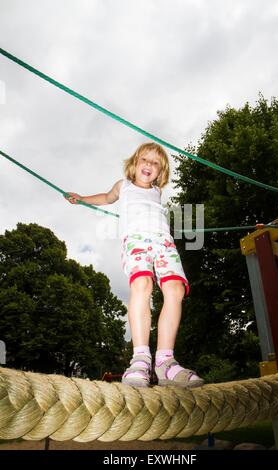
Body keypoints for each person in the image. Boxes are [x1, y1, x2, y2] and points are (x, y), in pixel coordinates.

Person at [65, 142, 204, 388]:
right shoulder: (124, 186)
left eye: (156, 163)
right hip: (137, 242)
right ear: (134, 163)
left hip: (164, 243)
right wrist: (82, 198)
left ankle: (164, 362)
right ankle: (140, 357)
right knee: (142, 283)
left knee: (175, 290)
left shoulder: (157, 192)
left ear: (161, 173)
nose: (149, 165)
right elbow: (107, 198)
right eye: (145, 160)